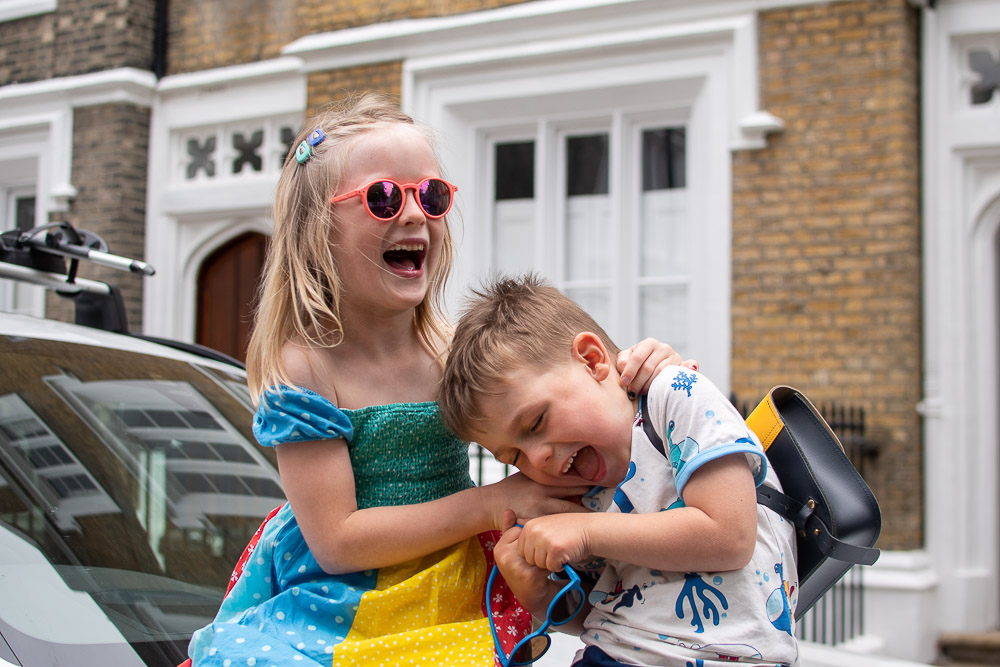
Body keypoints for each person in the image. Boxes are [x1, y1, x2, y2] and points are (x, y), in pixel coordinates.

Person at [185, 93, 688, 667]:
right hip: (341, 602)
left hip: (455, 583)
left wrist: (647, 369)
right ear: (317, 229)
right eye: (381, 198)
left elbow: (574, 394)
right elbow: (338, 541)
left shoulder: (455, 351)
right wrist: (493, 502)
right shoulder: (306, 367)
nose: (415, 213)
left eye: (430, 194)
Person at [439, 274, 799, 667]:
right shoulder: (581, 497)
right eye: (514, 457)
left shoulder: (673, 395)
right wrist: (539, 594)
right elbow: (596, 614)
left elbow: (730, 536)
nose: (536, 459)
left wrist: (587, 532)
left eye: (536, 422)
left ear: (593, 361)